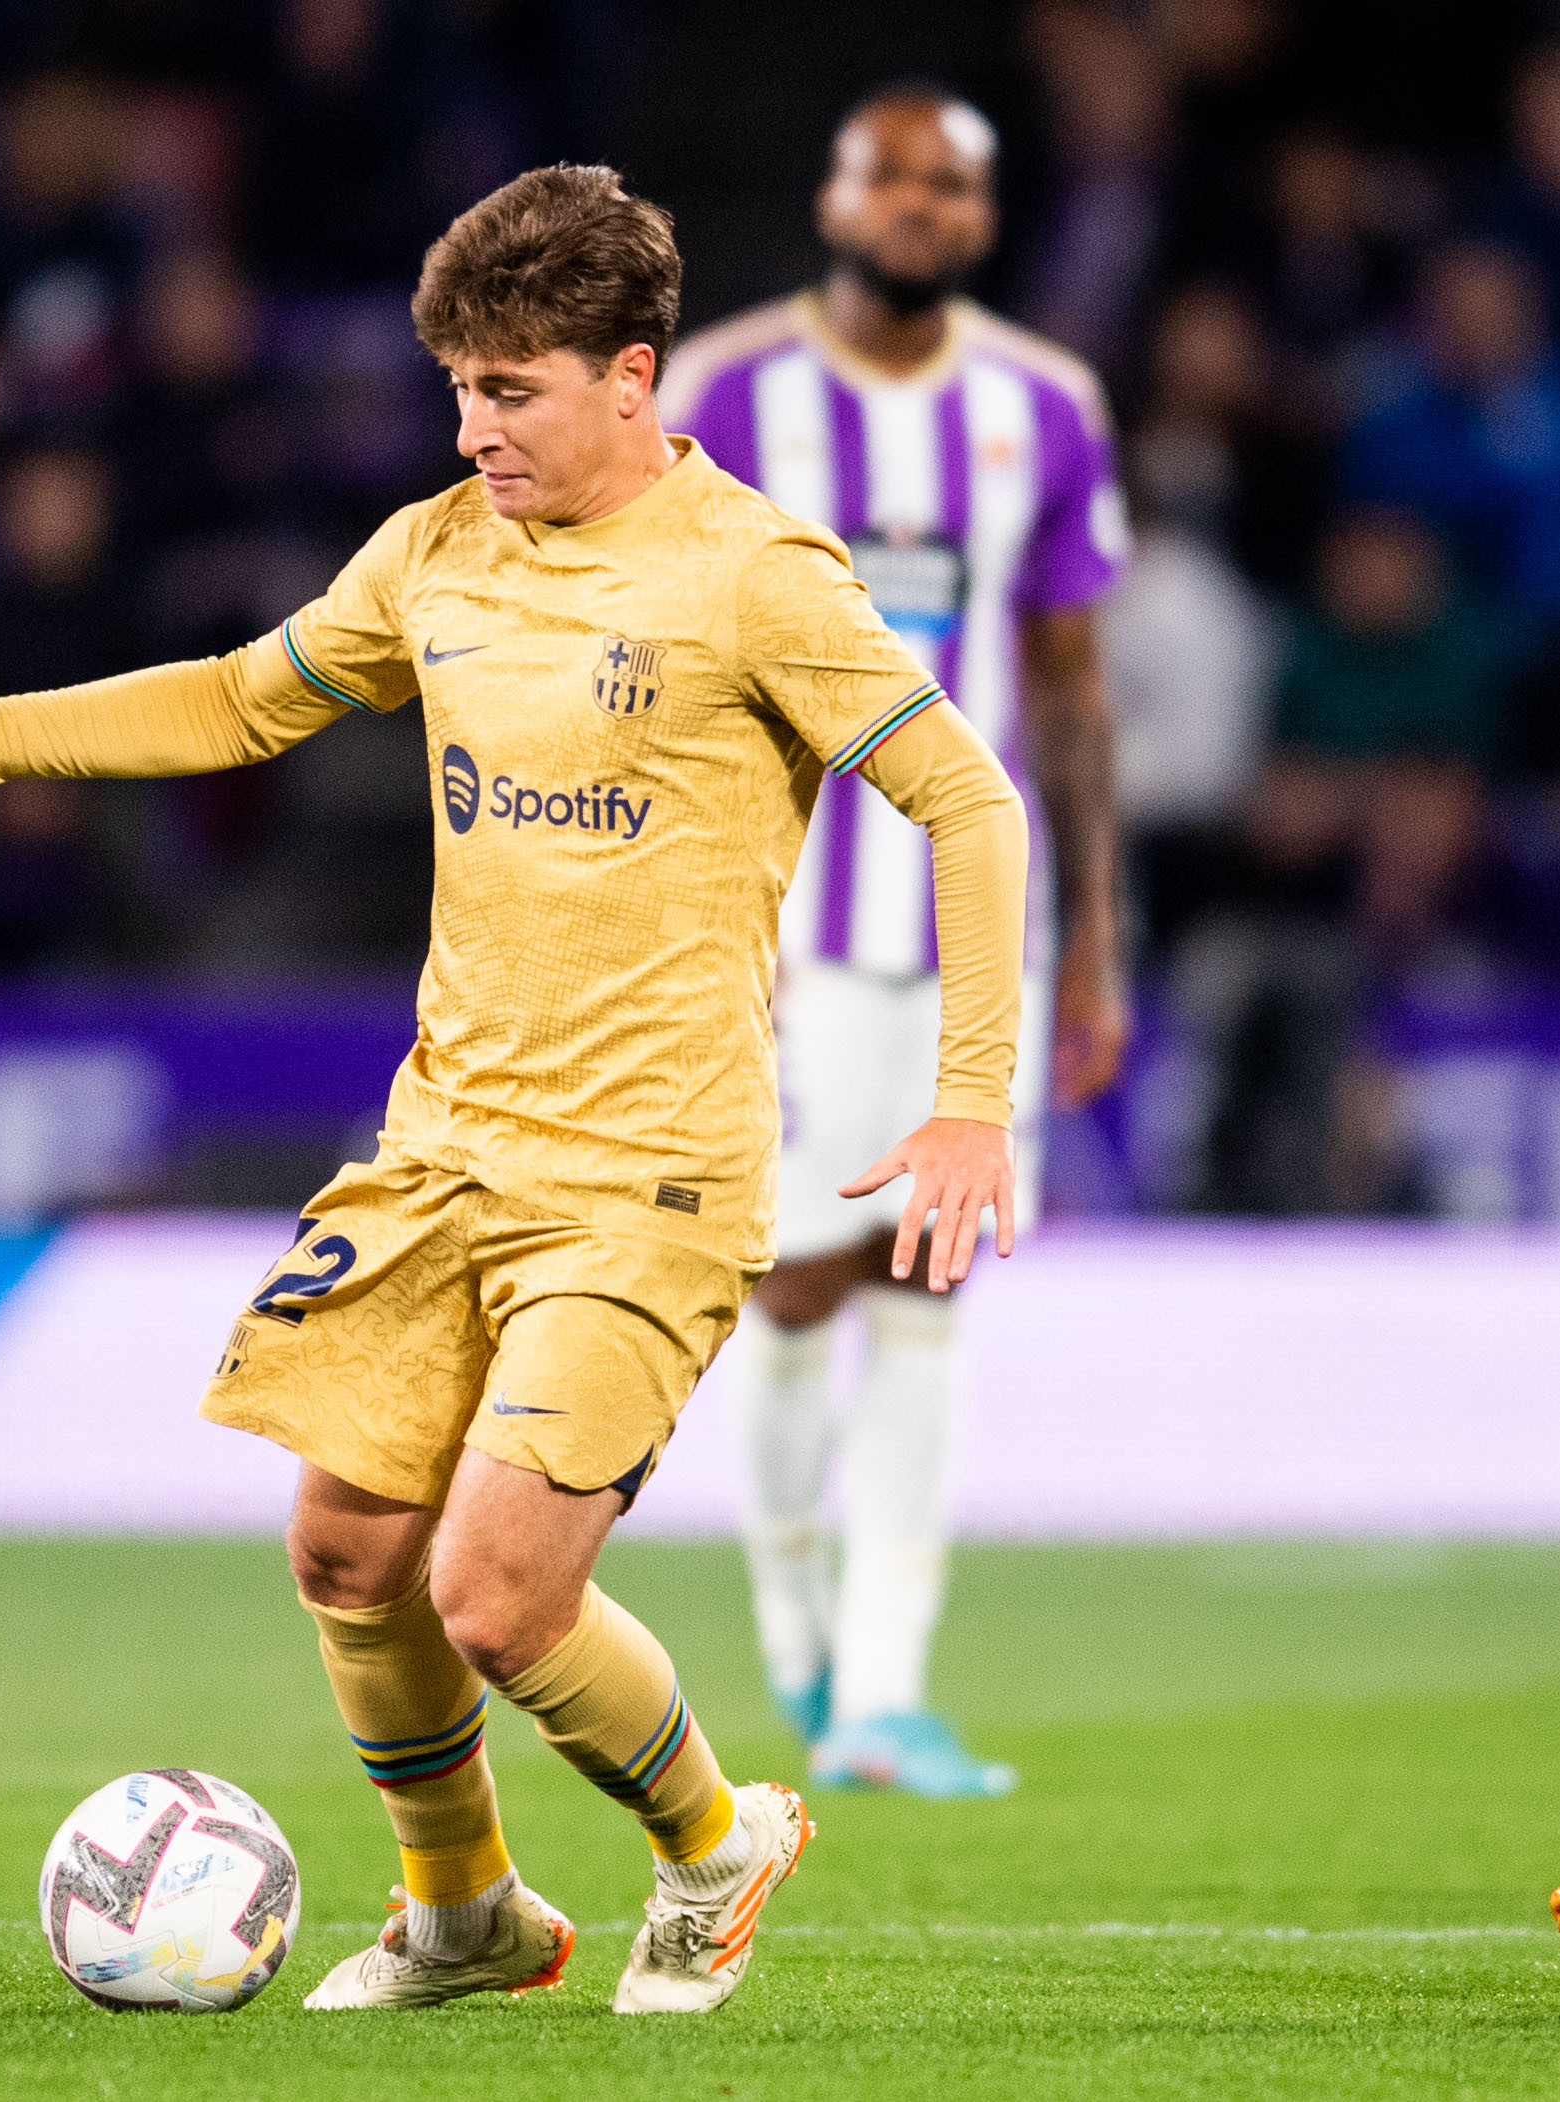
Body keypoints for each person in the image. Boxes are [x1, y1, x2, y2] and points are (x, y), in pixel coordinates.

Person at [0, 163, 1028, 2016]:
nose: (471, 428)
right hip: (441, 1148)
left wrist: (967, 1096)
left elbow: (968, 801)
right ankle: (469, 1920)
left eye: (509, 391)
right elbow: (240, 698)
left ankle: (714, 1843)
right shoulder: (431, 552)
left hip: (646, 1178)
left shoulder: (755, 577)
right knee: (349, 1553)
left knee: (495, 1596)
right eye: (455, 388)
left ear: (631, 375)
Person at [662, 85, 1128, 1800]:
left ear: (983, 219)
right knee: (787, 1281)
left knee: (933, 1281)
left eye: (950, 184)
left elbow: (1068, 696)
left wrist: (1093, 941)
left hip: (966, 932)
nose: (917, 205)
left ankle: (880, 1688)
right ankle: (791, 1616)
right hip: (779, 926)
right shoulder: (721, 397)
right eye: (890, 177)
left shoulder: (1042, 406)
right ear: (834, 193)